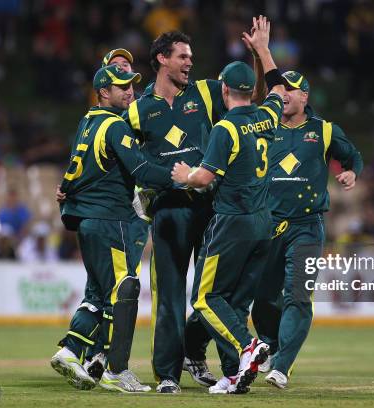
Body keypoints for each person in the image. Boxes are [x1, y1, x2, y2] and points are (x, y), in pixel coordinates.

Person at [171, 16, 285, 394]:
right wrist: (263, 51)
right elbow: (277, 89)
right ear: (250, 90)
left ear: (223, 90)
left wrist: (186, 173)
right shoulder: (268, 117)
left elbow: (204, 179)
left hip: (231, 223)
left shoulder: (227, 128)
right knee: (235, 300)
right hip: (263, 224)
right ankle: (238, 373)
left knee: (205, 298)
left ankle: (248, 347)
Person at [51, 64, 173, 394]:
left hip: (89, 222)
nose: (130, 90)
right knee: (123, 291)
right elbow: (143, 169)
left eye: (131, 84)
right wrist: (185, 176)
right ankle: (114, 369)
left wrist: (64, 192)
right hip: (111, 221)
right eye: (122, 86)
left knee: (98, 294)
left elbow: (74, 172)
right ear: (104, 92)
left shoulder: (88, 122)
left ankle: (72, 350)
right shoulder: (116, 127)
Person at [123, 30, 228, 393]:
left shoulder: (206, 92)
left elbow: (253, 95)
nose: (190, 62)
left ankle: (196, 355)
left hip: (210, 206)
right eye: (183, 56)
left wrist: (261, 53)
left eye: (191, 56)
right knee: (169, 295)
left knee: (214, 291)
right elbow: (123, 159)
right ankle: (168, 374)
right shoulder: (136, 110)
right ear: (162, 59)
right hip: (167, 211)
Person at [251, 70, 363, 389]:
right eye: (281, 89)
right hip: (267, 224)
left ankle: (282, 366)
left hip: (307, 226)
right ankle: (271, 345)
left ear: (305, 97)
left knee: (298, 297)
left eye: (292, 90)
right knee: (262, 298)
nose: (284, 94)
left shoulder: (324, 130)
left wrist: (352, 172)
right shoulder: (264, 125)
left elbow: (352, 155)